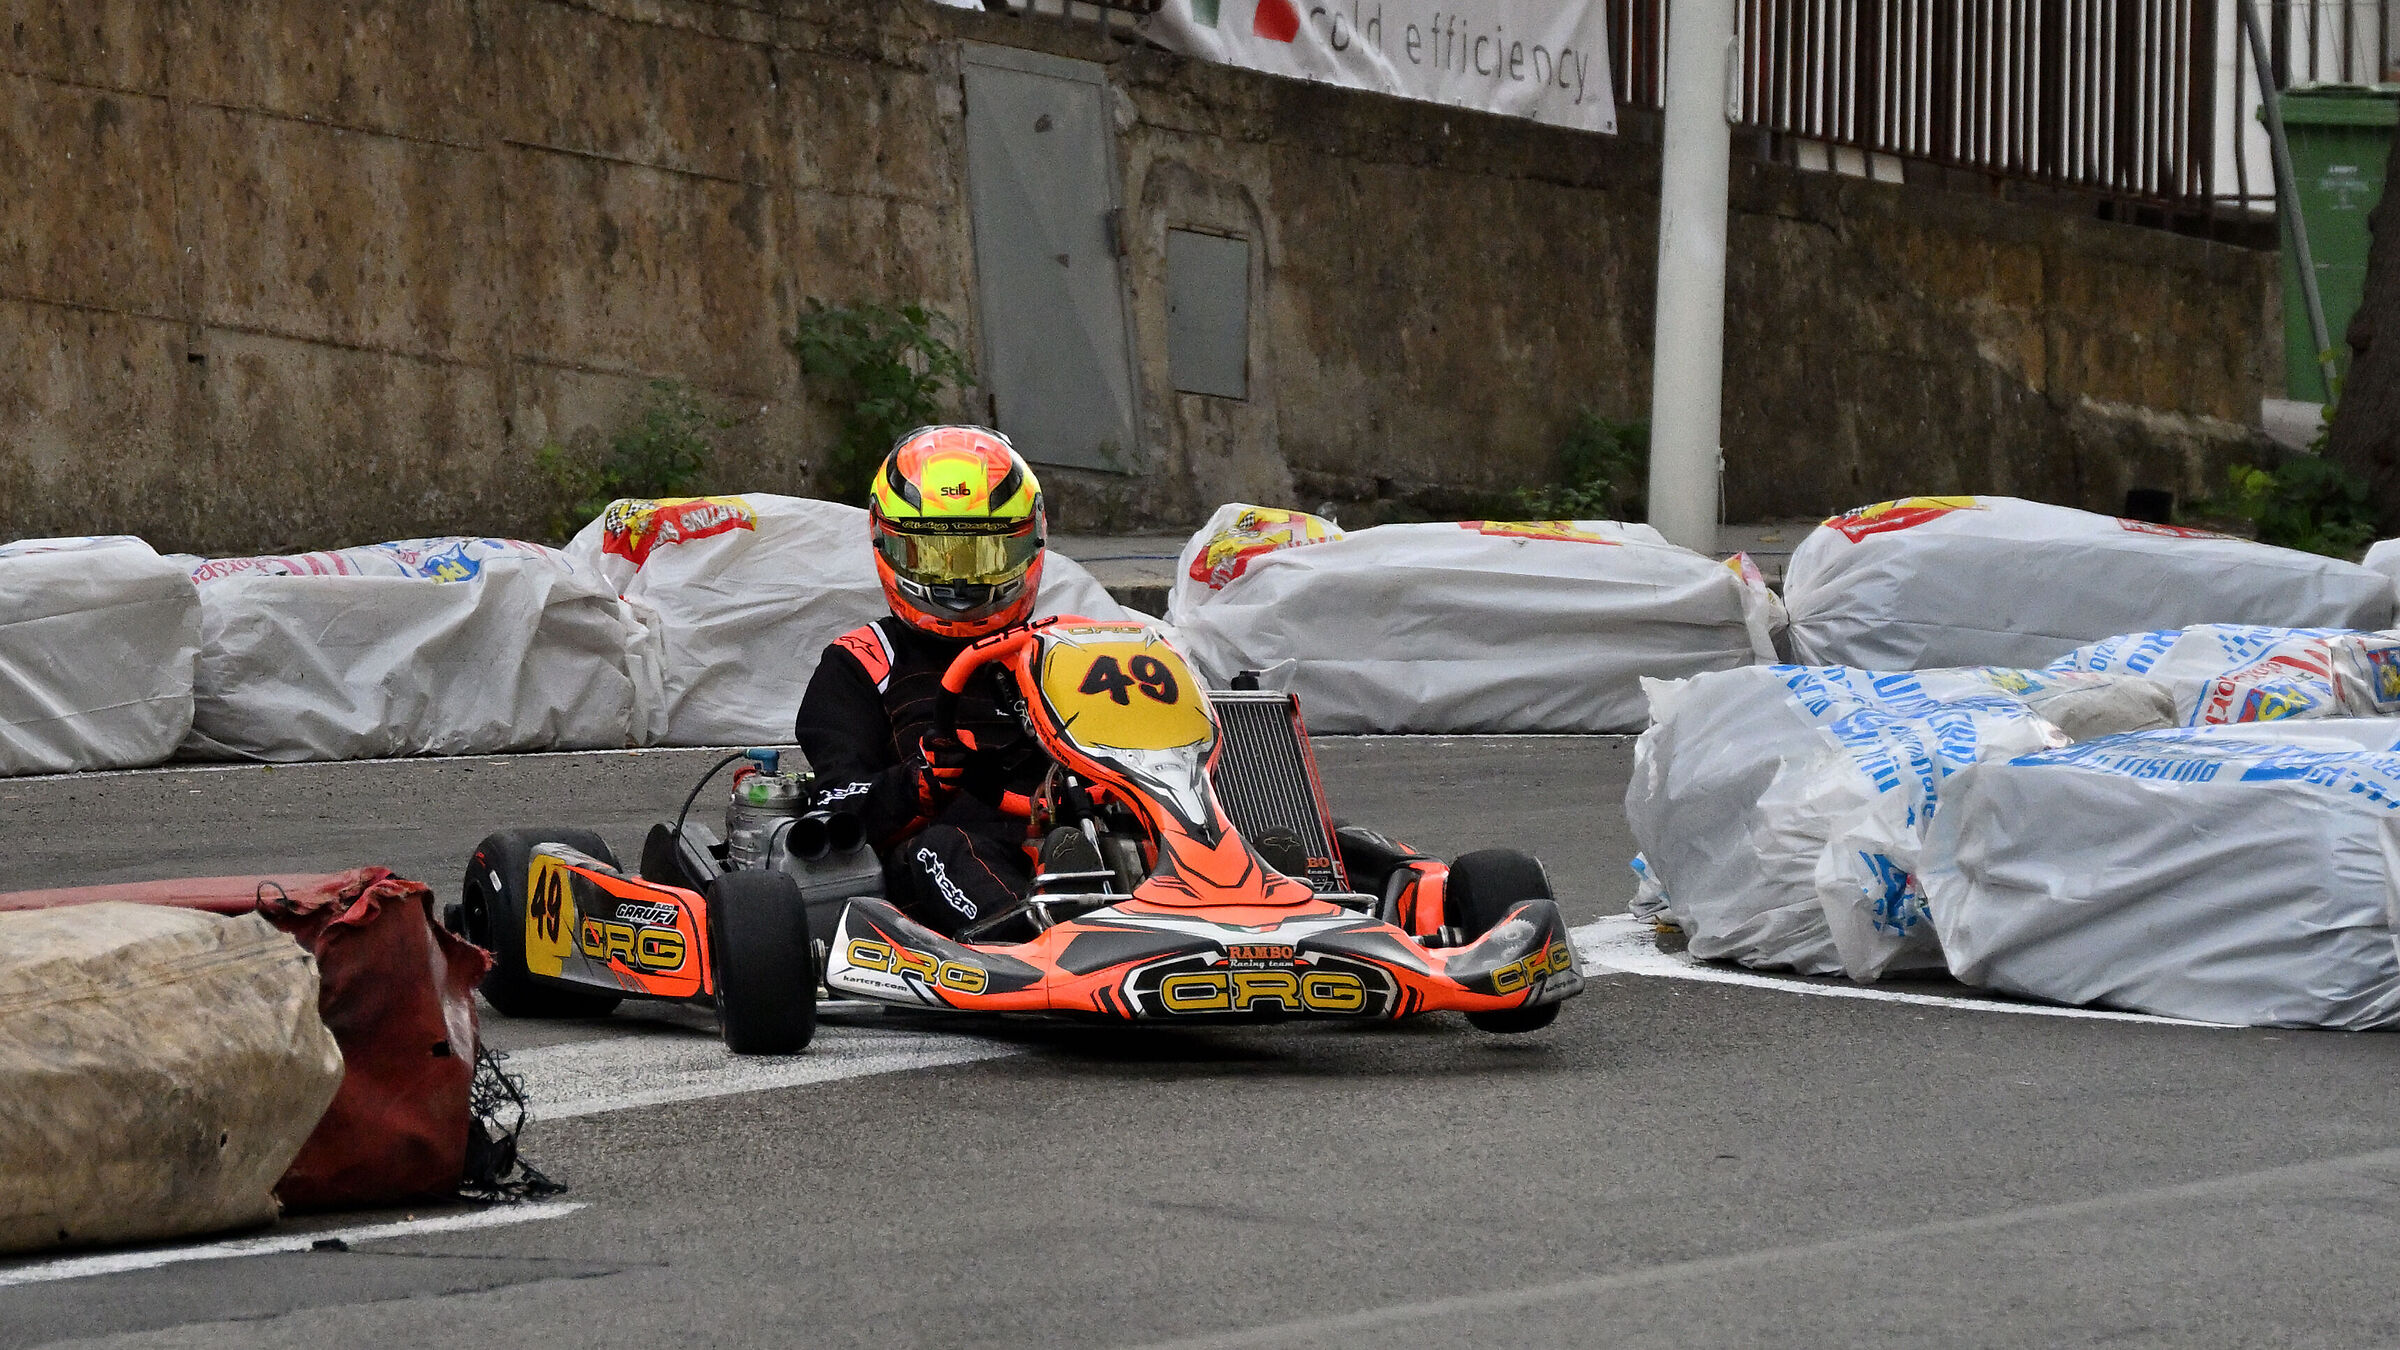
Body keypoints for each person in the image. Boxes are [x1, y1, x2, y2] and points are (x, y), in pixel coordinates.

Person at [792, 426, 1065, 936]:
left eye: (984, 557)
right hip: (939, 856)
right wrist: (913, 786)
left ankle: (1235, 893)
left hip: (1059, 834)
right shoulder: (864, 662)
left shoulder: (1060, 650)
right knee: (944, 849)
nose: (960, 582)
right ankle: (1044, 944)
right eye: (935, 555)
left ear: (1029, 542)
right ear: (888, 543)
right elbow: (835, 806)